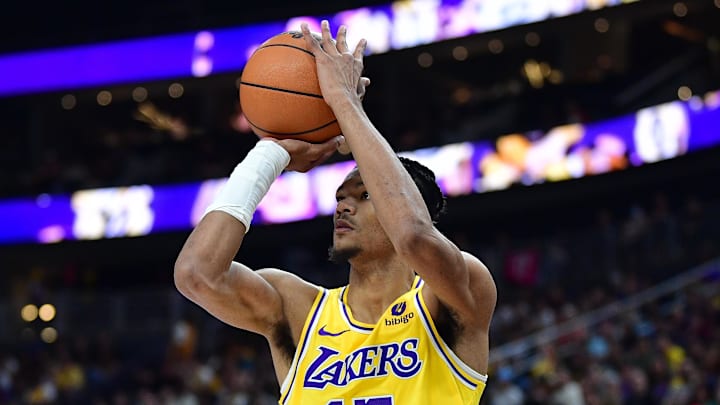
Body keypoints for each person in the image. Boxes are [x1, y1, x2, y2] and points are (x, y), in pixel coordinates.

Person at [174, 20, 497, 405]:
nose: (343, 205)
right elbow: (197, 274)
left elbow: (412, 236)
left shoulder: (452, 294)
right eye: (341, 197)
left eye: (364, 196)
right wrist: (269, 154)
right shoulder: (299, 310)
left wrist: (343, 101)